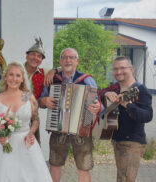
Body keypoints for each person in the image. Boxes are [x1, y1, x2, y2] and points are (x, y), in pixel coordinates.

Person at [39, 48, 101, 182]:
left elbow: (98, 101)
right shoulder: (53, 79)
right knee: (55, 164)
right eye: (65, 57)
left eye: (72, 57)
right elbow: (41, 100)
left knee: (83, 167)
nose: (68, 60)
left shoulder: (87, 79)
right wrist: (44, 101)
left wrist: (98, 107)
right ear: (60, 61)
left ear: (77, 61)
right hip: (58, 128)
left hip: (82, 129)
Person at [0, 62, 53, 182]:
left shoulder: (27, 97)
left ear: (22, 79)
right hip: (3, 145)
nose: (14, 79)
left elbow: (36, 120)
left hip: (26, 144)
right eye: (11, 75)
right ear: (5, 77)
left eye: (18, 75)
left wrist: (31, 133)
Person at [98, 56, 153, 182]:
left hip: (132, 142)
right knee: (121, 177)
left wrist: (128, 105)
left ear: (131, 69)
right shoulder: (115, 88)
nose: (119, 72)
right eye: (115, 69)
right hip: (117, 139)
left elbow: (148, 116)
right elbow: (97, 93)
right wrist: (105, 94)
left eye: (122, 68)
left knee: (126, 179)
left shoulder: (141, 90)